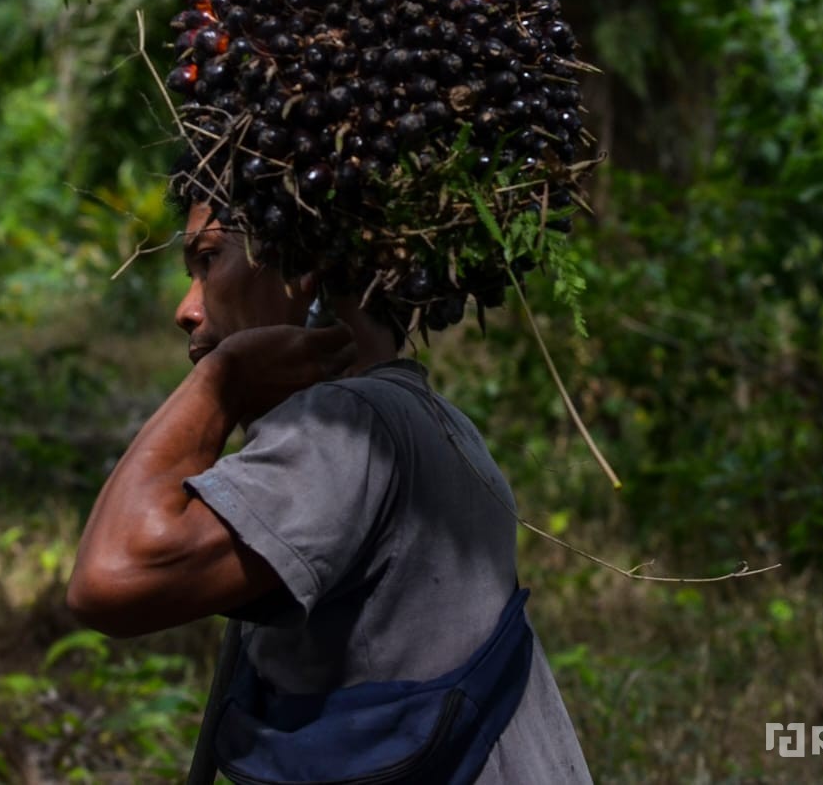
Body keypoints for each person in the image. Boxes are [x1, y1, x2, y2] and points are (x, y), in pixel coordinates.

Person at [67, 201, 593, 783]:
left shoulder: (346, 426)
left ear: (305, 266)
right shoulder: (428, 418)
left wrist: (222, 384)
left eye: (209, 261)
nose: (186, 310)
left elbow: (109, 580)